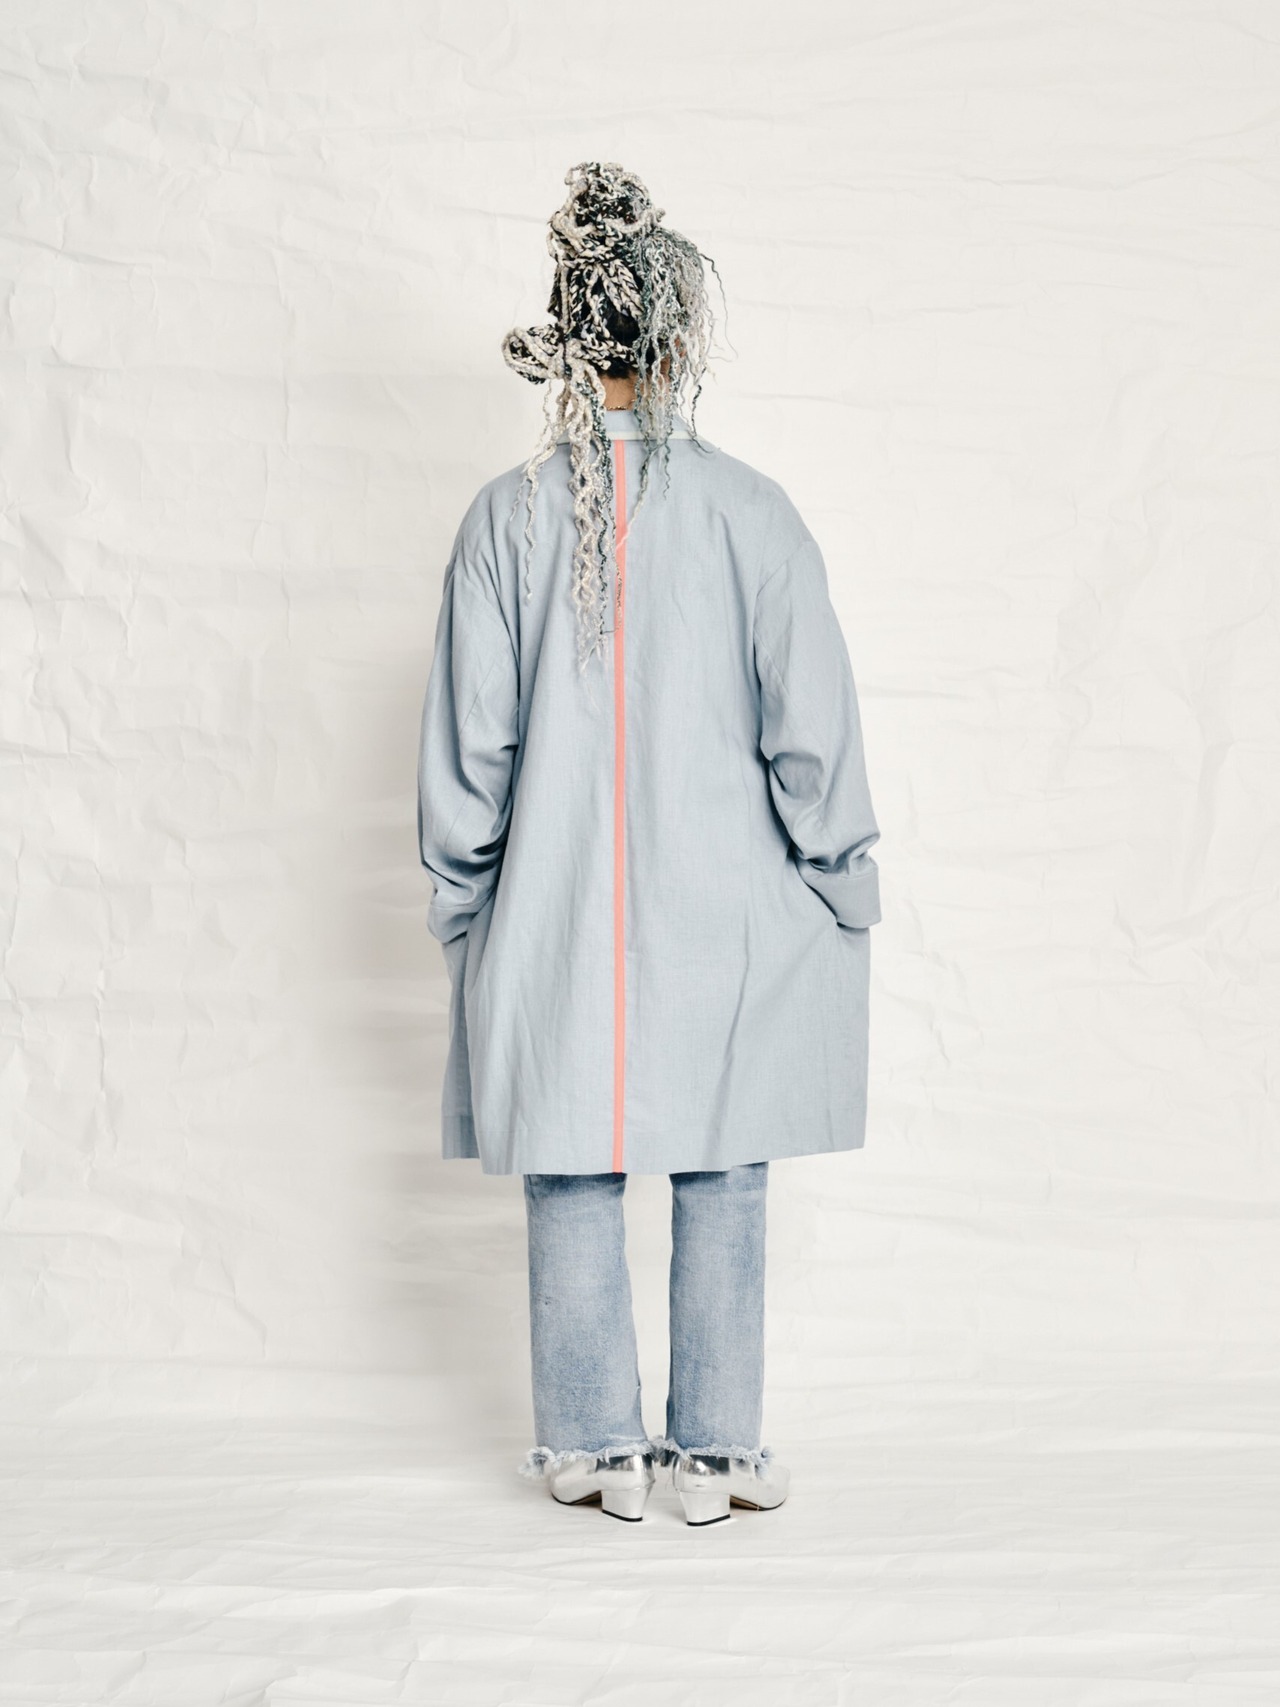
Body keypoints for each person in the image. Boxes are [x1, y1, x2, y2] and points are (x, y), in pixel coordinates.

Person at [417, 161, 882, 1525]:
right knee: (724, 1156)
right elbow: (815, 736)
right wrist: (844, 877)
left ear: (568, 339)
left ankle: (594, 1448)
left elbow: (469, 751)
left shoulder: (504, 518)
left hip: (555, 909)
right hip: (728, 915)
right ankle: (717, 1454)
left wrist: (465, 901)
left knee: (572, 1153)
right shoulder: (754, 513)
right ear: (678, 339)